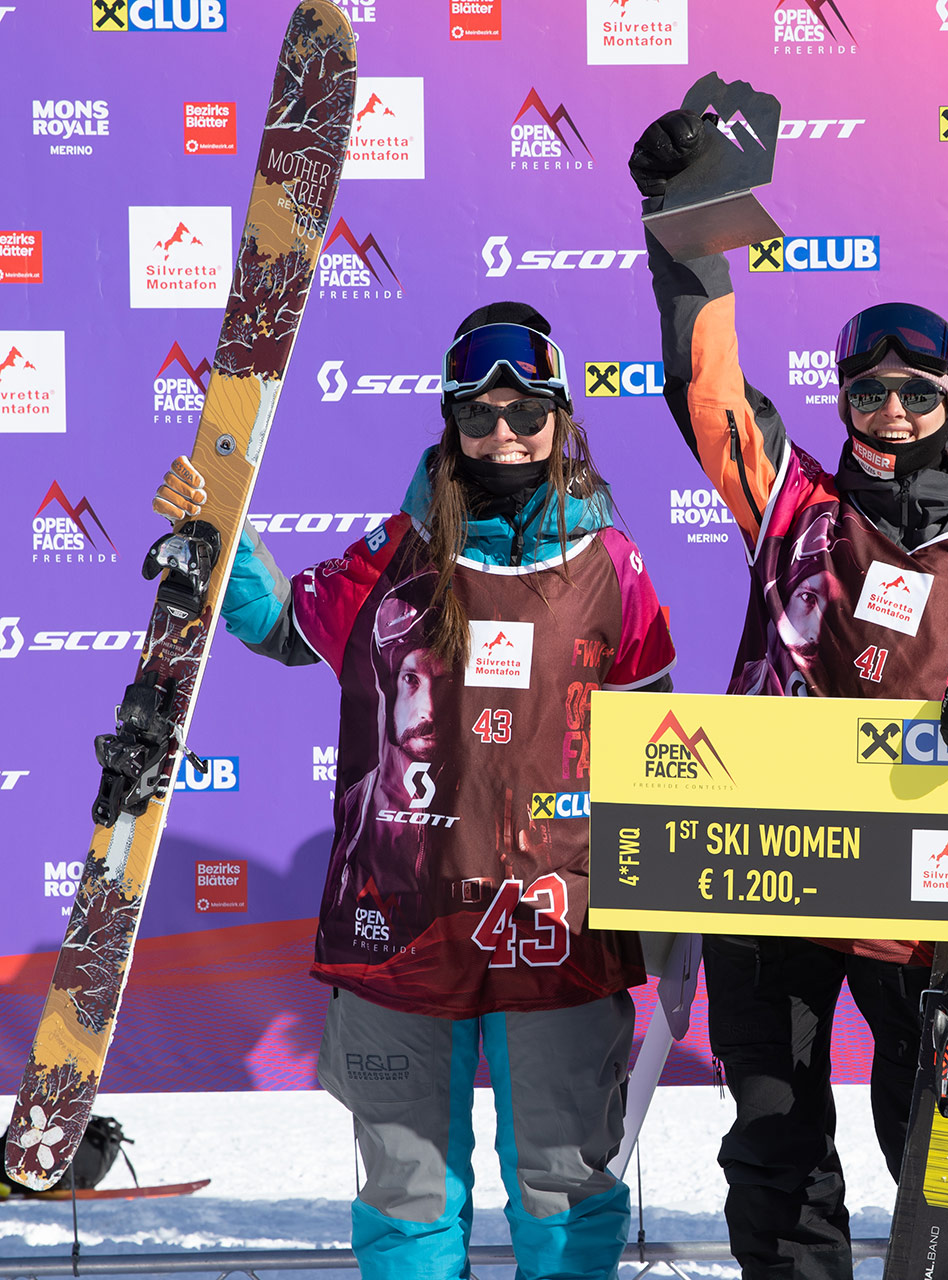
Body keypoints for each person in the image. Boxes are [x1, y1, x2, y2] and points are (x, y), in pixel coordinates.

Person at [629, 110, 948, 1280]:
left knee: (944, 1153)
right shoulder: (793, 508)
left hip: (930, 880)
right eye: (868, 395)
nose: (891, 413)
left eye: (913, 392)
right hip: (772, 863)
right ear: (842, 405)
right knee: (777, 1141)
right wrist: (686, 238)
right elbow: (705, 391)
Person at [153, 302, 676, 1280]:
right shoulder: (398, 553)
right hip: (398, 925)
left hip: (558, 922)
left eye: (527, 412)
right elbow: (278, 625)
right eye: (480, 413)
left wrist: (677, 919)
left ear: (563, 418)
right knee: (407, 1188)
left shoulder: (615, 567)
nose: (504, 434)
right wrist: (217, 529)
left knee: (565, 1185)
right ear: (450, 422)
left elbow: (660, 746)